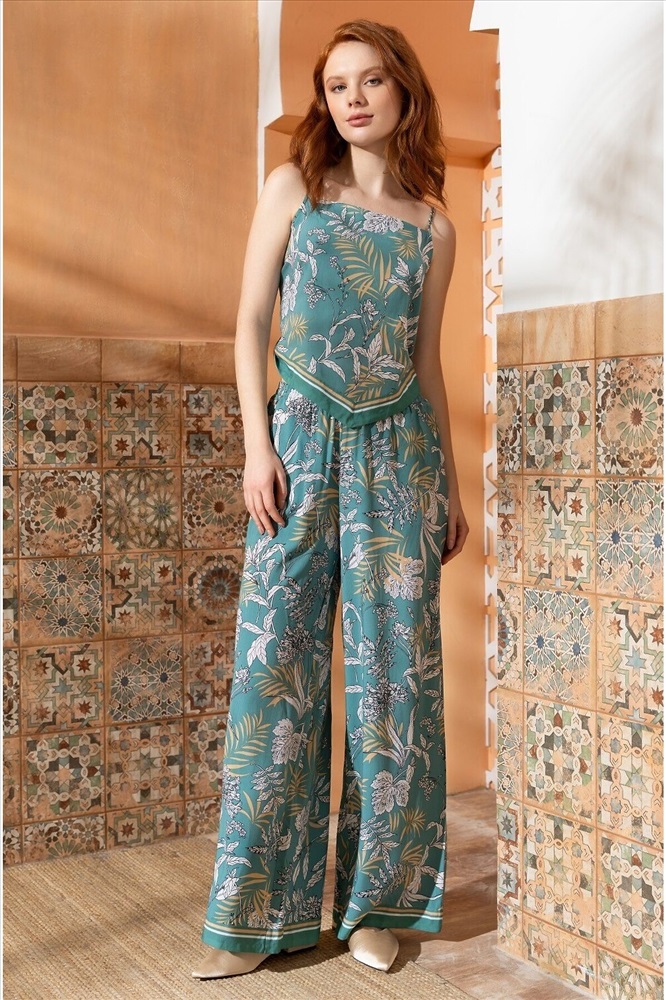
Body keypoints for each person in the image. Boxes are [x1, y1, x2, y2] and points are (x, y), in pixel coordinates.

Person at [192, 17, 468, 981]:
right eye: (337, 84)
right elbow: (248, 322)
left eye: (372, 81)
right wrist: (256, 447)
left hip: (401, 460)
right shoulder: (294, 190)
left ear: (404, 92)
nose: (353, 98)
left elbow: (427, 365)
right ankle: (253, 918)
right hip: (299, 445)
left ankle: (374, 909)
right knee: (277, 676)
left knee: (395, 685)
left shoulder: (433, 227)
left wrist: (449, 486)